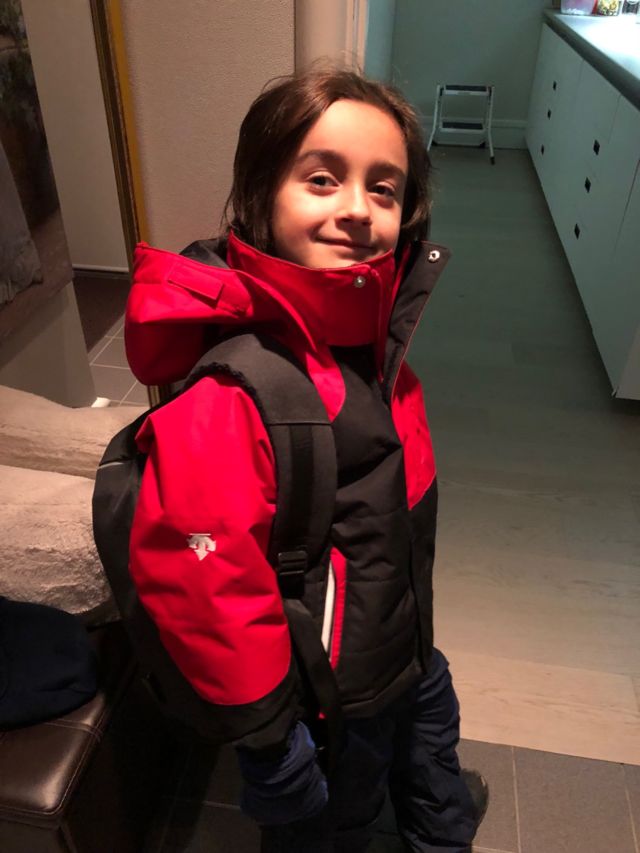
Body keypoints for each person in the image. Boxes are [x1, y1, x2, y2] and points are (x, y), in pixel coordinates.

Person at [124, 66, 488, 852]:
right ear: (262, 196)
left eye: (384, 188)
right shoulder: (238, 391)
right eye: (322, 179)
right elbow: (206, 588)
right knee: (332, 830)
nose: (356, 208)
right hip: (327, 706)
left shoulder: (373, 351)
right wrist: (269, 738)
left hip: (403, 652)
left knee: (437, 790)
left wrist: (413, 647)